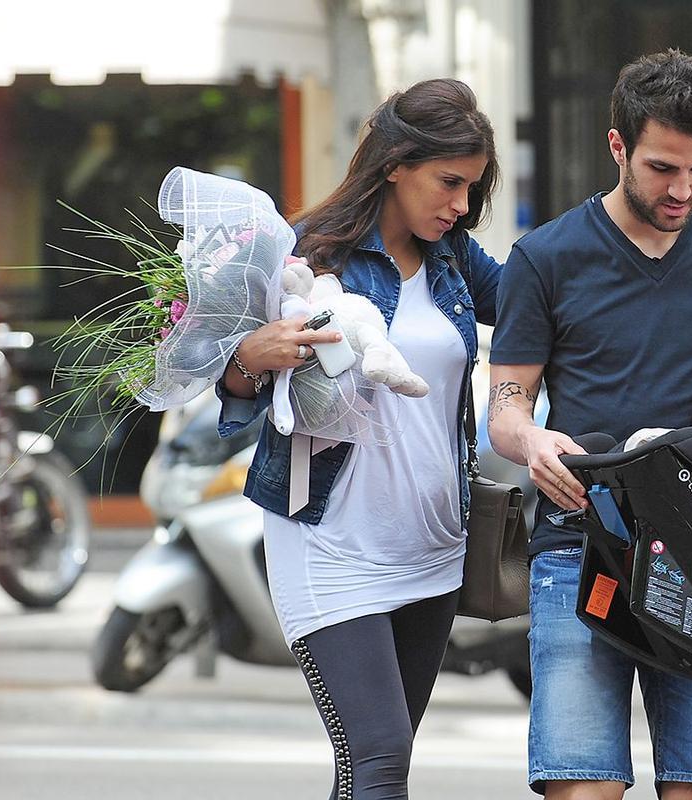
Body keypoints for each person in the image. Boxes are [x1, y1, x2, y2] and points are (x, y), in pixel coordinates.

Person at [488, 49, 692, 800]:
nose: (683, 189)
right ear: (617, 146)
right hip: (580, 540)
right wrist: (534, 440)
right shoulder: (546, 257)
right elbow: (505, 406)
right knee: (581, 785)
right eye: (663, 168)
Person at [215, 78, 502, 800]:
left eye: (472, 188)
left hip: (433, 543)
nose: (461, 205)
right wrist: (251, 357)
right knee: (378, 757)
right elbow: (222, 378)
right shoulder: (305, 251)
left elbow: (556, 293)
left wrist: (657, 227)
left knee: (375, 766)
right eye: (449, 183)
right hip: (330, 539)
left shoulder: (457, 261)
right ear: (396, 163)